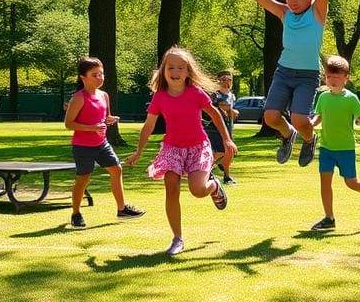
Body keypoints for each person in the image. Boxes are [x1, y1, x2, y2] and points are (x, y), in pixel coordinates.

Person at [228, 0, 329, 167]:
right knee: (271, 116)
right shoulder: (285, 13)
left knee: (299, 117)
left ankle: (308, 138)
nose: (291, 2)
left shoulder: (318, 13)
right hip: (284, 72)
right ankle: (287, 135)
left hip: (307, 75)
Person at [126, 47, 236, 256]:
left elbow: (214, 115)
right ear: (163, 70)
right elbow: (148, 126)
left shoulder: (195, 93)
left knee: (197, 190)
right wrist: (138, 151)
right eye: (171, 67)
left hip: (197, 147)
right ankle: (177, 238)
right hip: (172, 149)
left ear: (188, 72)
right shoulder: (159, 97)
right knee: (171, 189)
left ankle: (214, 187)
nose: (175, 71)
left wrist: (227, 139)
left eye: (180, 67)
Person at [63, 57, 145, 229]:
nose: (100, 78)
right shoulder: (79, 98)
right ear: (83, 77)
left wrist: (109, 120)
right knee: (83, 178)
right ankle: (76, 213)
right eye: (95, 75)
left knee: (116, 169)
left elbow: (103, 118)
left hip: (101, 144)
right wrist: (92, 127)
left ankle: (122, 209)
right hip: (83, 146)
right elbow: (69, 124)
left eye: (101, 74)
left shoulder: (104, 96)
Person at [307, 56, 360, 230]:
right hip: (326, 148)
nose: (332, 81)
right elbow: (318, 117)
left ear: (346, 78)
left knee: (351, 183)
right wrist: (310, 123)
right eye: (329, 77)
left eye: (337, 78)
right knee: (325, 182)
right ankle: (329, 218)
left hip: (345, 149)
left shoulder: (351, 98)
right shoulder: (323, 97)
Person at [206, 71, 239, 184]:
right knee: (220, 151)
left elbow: (229, 109)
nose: (226, 82)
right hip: (214, 127)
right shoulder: (215, 95)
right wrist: (225, 109)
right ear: (218, 81)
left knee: (229, 152)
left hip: (228, 127)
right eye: (223, 79)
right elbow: (212, 108)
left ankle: (226, 176)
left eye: (229, 80)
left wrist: (232, 112)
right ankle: (205, 172)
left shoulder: (232, 96)